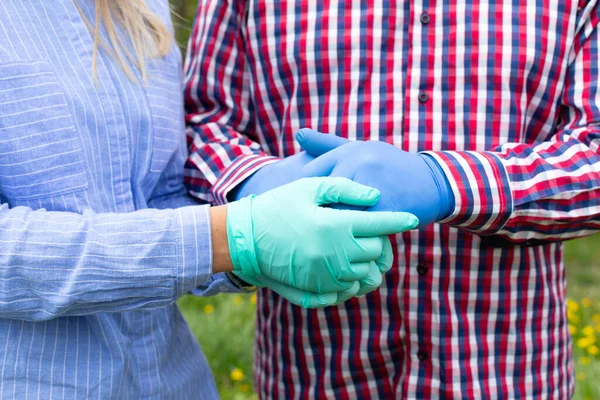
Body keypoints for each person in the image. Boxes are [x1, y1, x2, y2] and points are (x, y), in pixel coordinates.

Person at [0, 1, 419, 398]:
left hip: (172, 382)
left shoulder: (140, 9)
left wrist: (255, 231)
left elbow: (160, 195)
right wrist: (233, 235)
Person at [184, 0, 600, 398]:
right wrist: (253, 184)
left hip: (507, 376)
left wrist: (447, 182)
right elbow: (201, 122)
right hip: (310, 372)